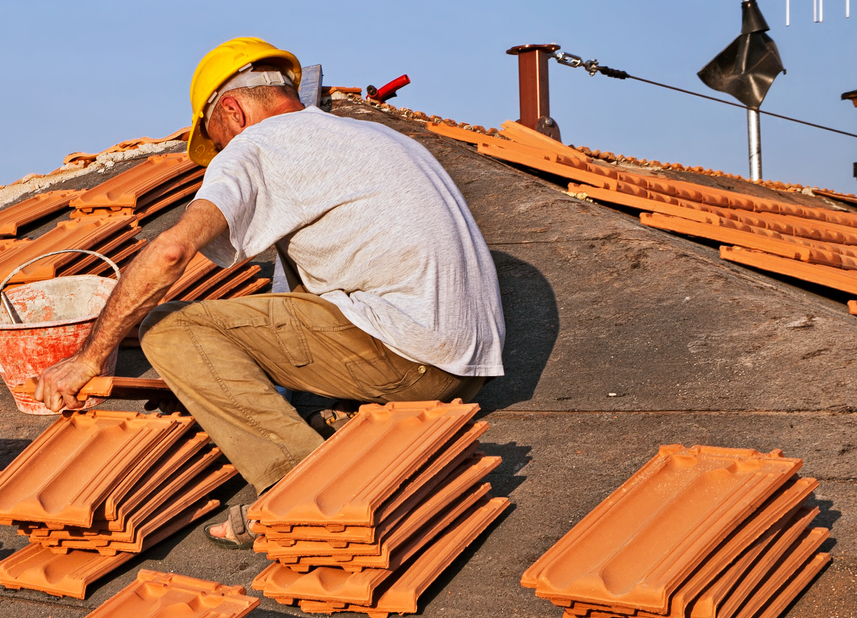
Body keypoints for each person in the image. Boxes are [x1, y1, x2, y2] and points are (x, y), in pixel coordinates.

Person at [32, 36, 505, 547]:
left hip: (411, 362)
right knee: (300, 265)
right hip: (471, 366)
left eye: (215, 140)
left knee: (170, 328)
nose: (219, 154)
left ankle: (297, 486)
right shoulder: (378, 138)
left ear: (231, 111)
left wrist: (89, 357)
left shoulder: (255, 147)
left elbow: (171, 252)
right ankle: (342, 418)